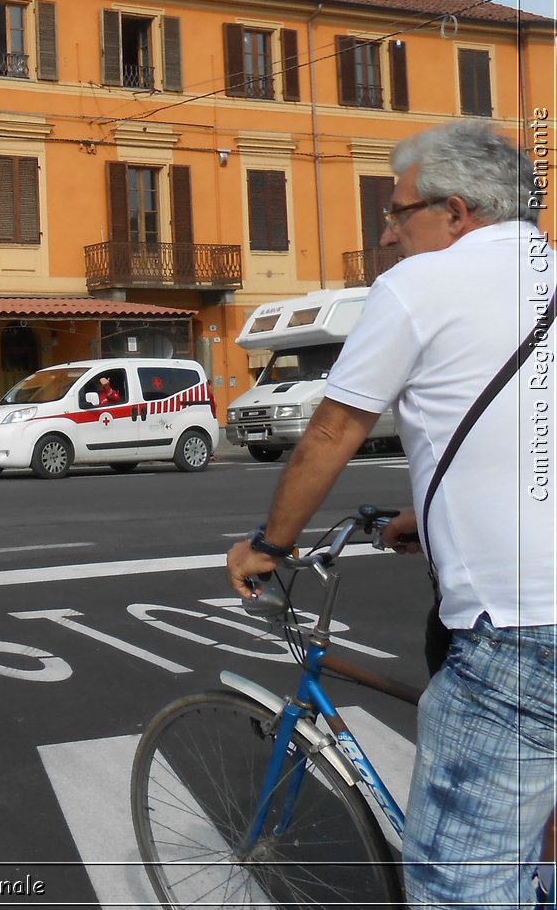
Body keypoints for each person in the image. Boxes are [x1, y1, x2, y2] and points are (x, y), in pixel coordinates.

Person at [226, 120, 555, 908]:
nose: (385, 231)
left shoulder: (420, 285)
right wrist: (425, 513)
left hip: (520, 624)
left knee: (459, 883)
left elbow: (335, 429)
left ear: (455, 211)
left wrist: (269, 544)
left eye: (395, 210)